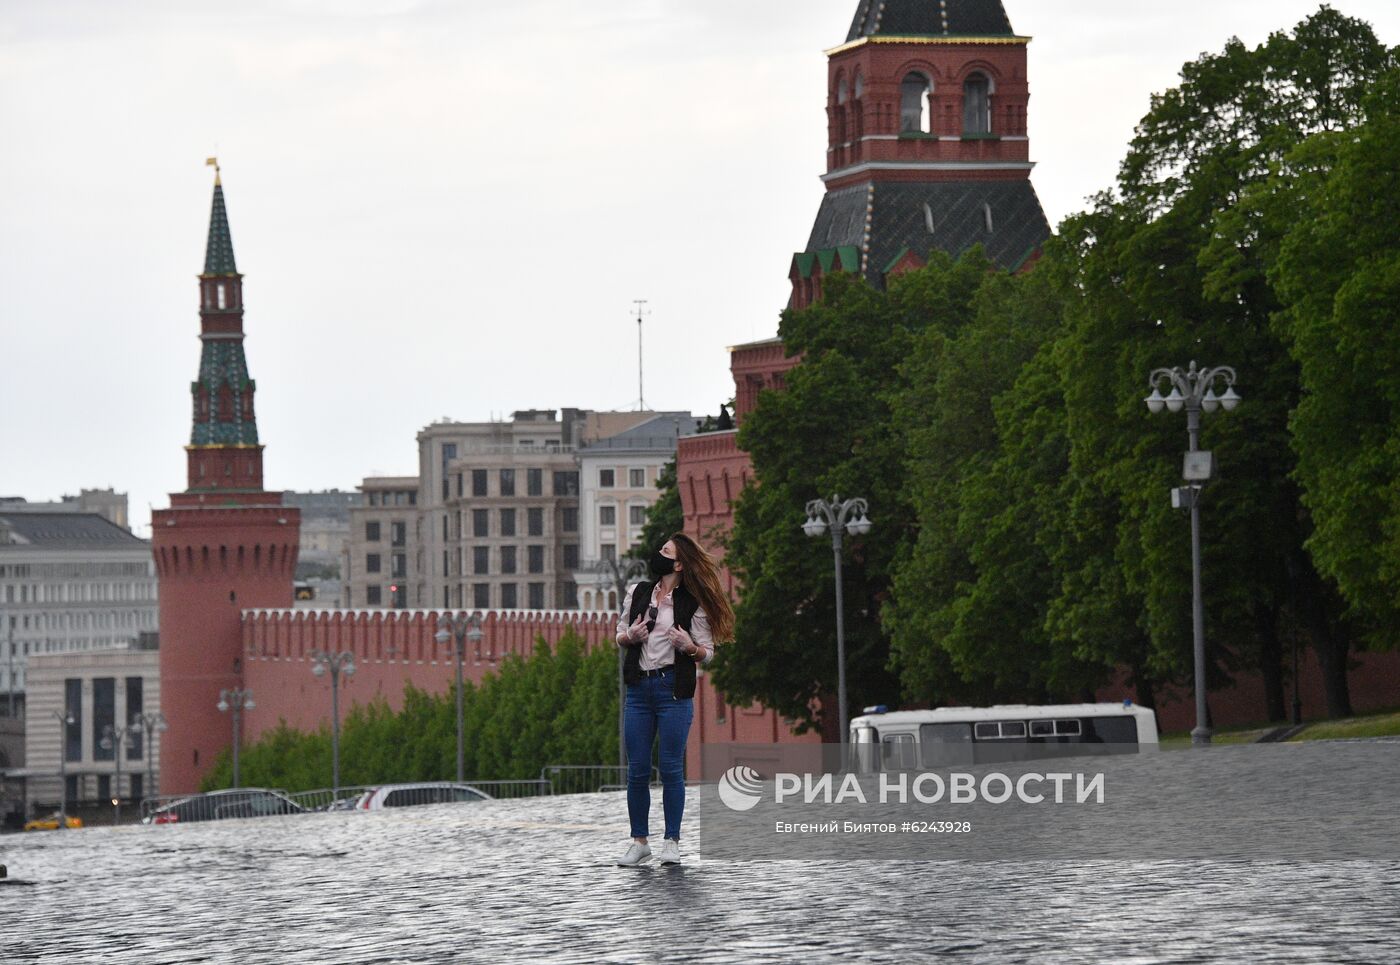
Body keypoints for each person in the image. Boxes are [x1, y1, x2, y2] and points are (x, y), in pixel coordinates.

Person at [614, 532, 734, 866]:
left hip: (673, 691)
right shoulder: (638, 592)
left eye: (666, 551)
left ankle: (671, 841)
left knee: (670, 769)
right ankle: (639, 841)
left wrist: (689, 646)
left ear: (679, 564)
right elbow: (620, 633)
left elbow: (707, 653)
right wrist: (631, 637)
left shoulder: (691, 602)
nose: (658, 554)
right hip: (639, 690)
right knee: (637, 769)